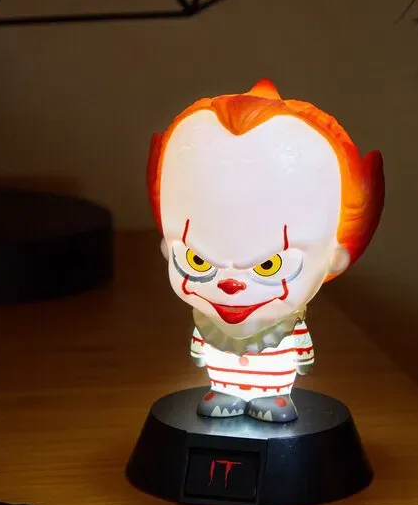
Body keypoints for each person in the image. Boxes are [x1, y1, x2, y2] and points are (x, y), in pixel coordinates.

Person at [148, 79, 384, 422]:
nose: (231, 285)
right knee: (222, 385)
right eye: (196, 261)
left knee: (272, 389)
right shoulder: (207, 322)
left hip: (276, 378)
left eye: (269, 266)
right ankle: (225, 390)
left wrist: (302, 353)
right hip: (222, 378)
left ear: (334, 259)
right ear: (167, 247)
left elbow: (302, 355)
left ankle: (273, 396)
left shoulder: (287, 327)